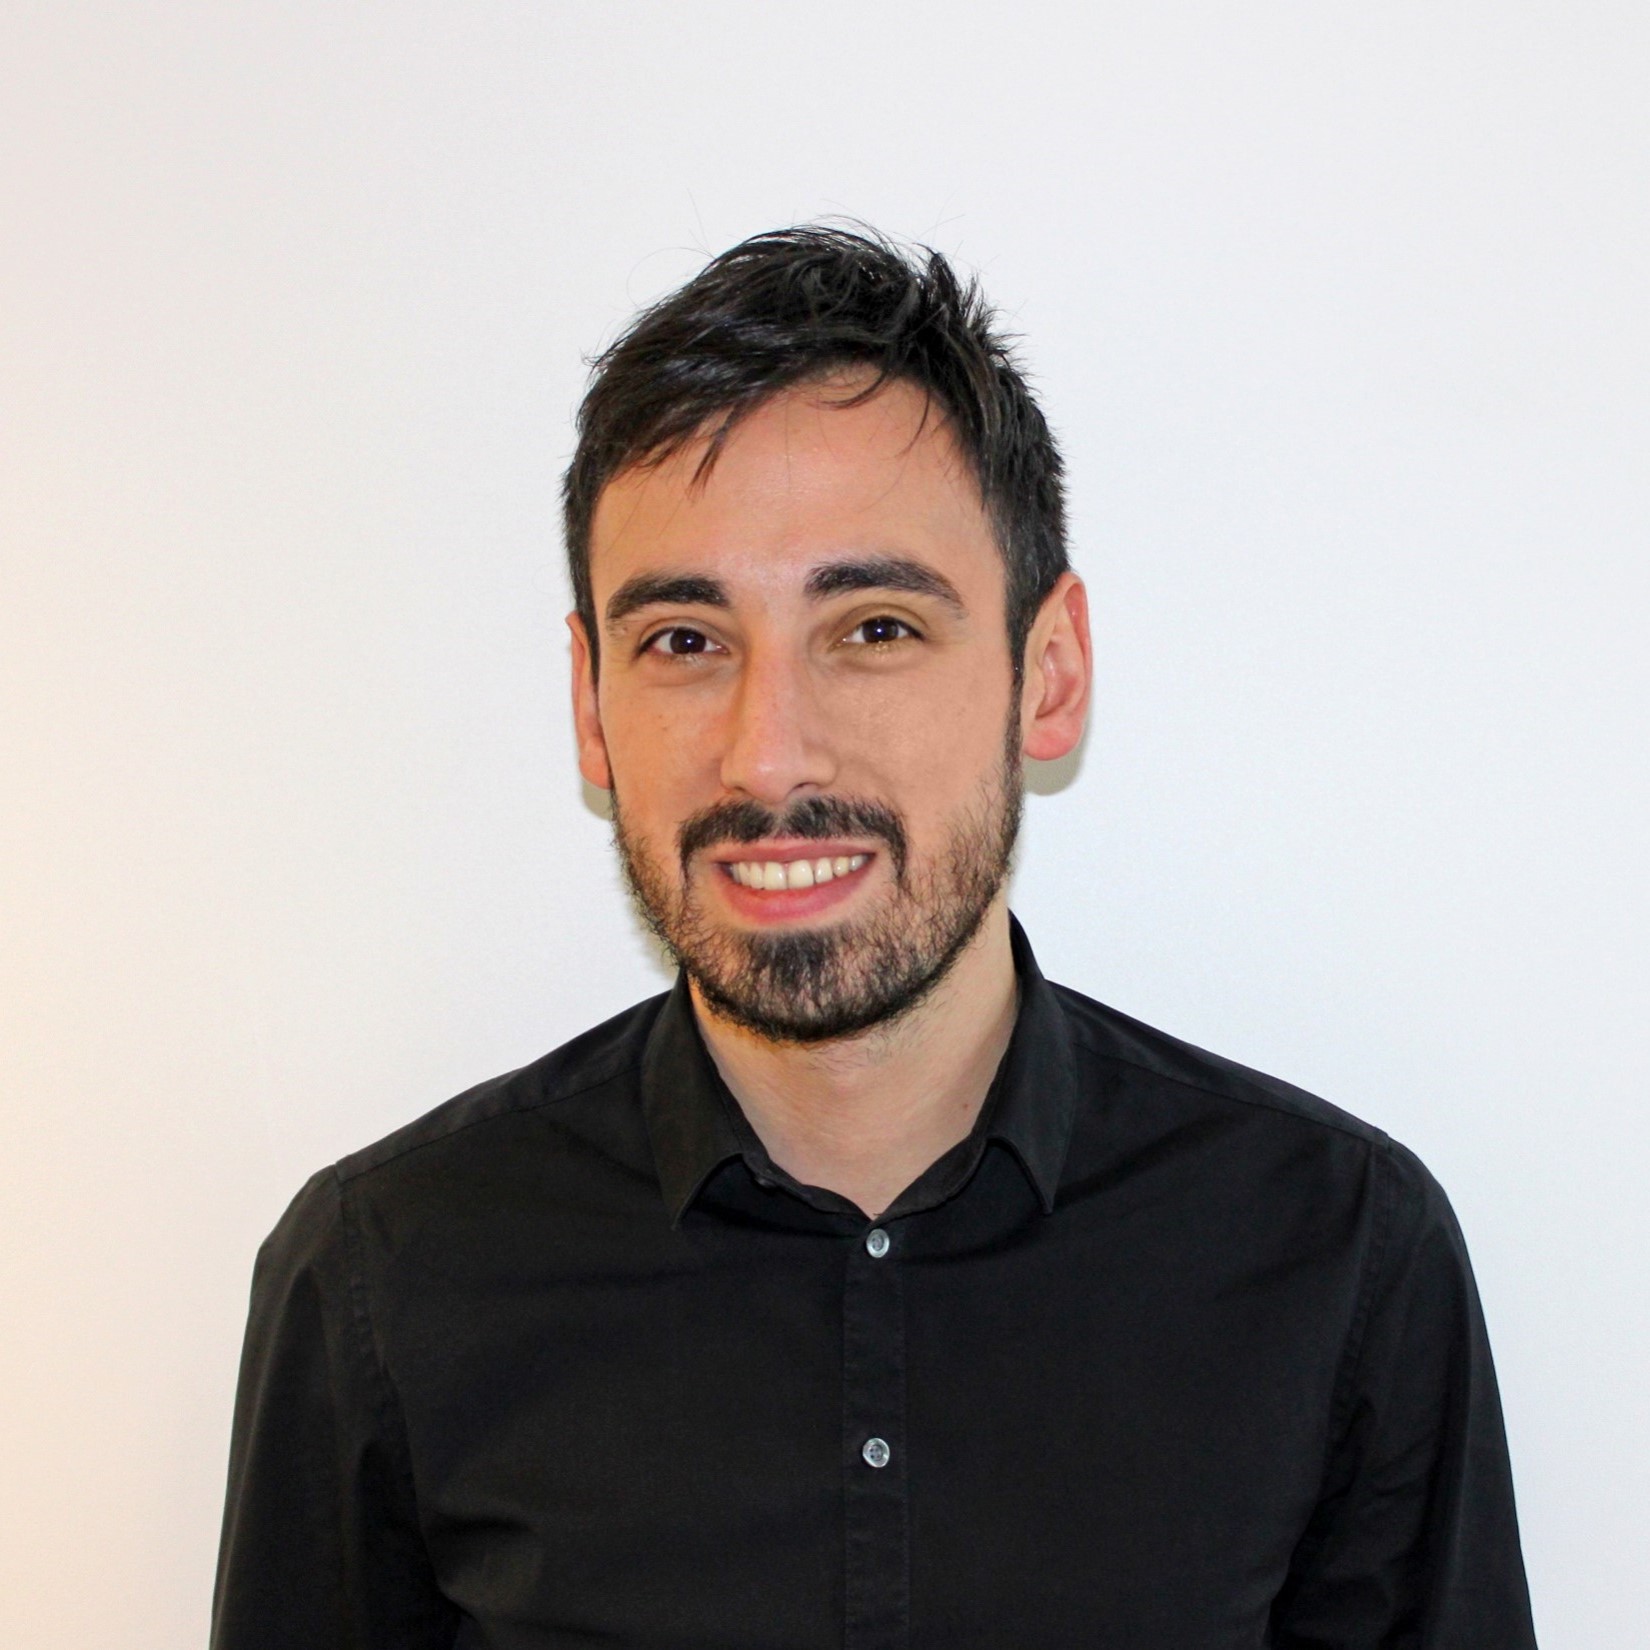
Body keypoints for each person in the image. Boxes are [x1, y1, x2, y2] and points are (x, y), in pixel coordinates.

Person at [212, 226, 1537, 1649]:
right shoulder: (385, 1274)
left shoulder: (1338, 1254)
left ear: (1047, 675)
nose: (769, 756)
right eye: (684, 641)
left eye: (876, 628)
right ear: (591, 705)